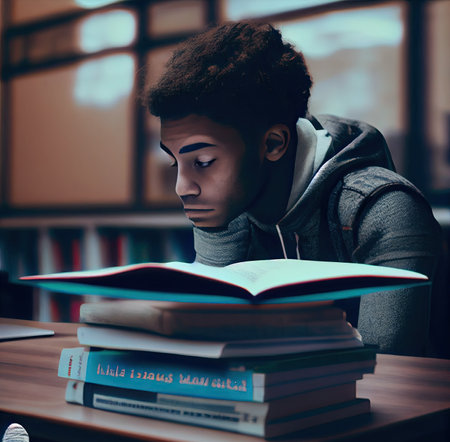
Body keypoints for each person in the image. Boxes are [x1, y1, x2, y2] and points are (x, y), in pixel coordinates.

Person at [146, 21, 442, 356]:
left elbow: (386, 372)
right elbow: (204, 342)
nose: (182, 188)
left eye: (203, 162)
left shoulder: (383, 209)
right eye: (175, 162)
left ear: (273, 143)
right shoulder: (228, 205)